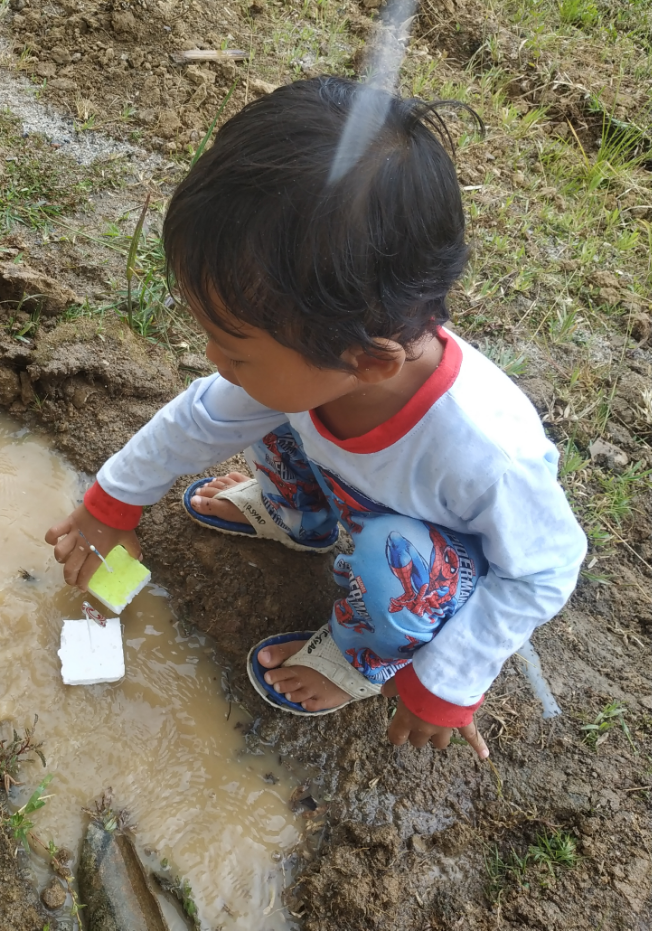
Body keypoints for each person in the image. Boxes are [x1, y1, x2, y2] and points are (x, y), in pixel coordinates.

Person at [45, 77, 586, 761]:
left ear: (367, 362)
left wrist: (448, 683)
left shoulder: (484, 453)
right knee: (261, 406)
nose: (212, 357)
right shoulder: (316, 360)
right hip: (348, 483)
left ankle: (363, 657)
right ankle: (299, 520)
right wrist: (112, 503)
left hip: (430, 558)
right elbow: (201, 419)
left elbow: (545, 569)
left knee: (389, 561)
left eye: (234, 347)